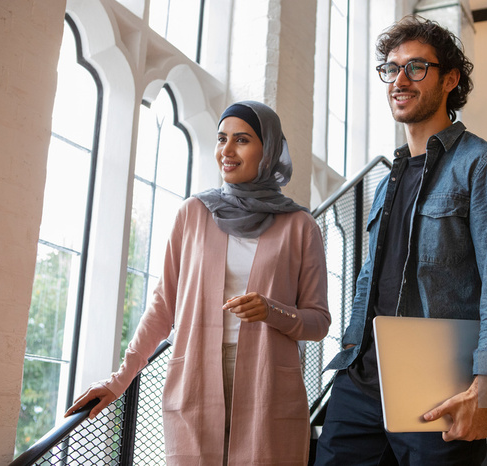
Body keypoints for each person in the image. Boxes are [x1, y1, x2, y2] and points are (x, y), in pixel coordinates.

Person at [314, 15, 487, 465]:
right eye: (391, 69)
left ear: (450, 79)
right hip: (363, 380)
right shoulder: (388, 180)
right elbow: (371, 276)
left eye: (416, 67)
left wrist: (486, 389)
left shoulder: (485, 165)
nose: (399, 79)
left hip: (441, 387)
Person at [66, 101, 331, 465]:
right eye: (222, 138)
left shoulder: (301, 226)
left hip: (268, 380)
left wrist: (272, 311)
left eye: (242, 140)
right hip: (195, 373)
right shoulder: (193, 213)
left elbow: (319, 322)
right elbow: (163, 306)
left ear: (267, 150)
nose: (227, 150)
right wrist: (118, 381)